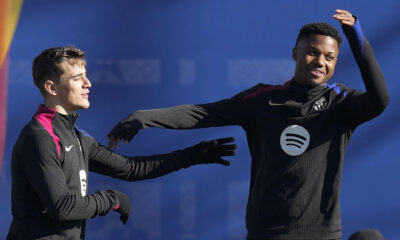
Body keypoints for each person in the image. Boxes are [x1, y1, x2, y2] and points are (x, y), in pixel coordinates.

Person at [108, 9, 389, 240]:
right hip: (267, 233)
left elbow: (380, 99)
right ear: (295, 53)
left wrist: (357, 37)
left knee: (369, 238)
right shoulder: (263, 99)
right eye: (312, 52)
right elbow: (202, 113)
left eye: (329, 58)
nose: (320, 62)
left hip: (322, 234)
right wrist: (144, 117)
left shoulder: (340, 103)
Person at [7, 46, 237, 240]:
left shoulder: (76, 135)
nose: (88, 83)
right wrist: (111, 199)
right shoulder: (39, 136)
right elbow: (63, 208)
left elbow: (130, 168)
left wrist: (192, 155)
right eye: (78, 78)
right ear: (51, 87)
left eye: (86, 75)